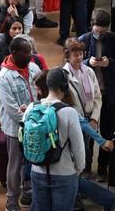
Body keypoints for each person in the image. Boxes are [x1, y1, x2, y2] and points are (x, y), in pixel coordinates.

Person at [0, 36, 42, 211]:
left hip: (35, 124)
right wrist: (33, 119)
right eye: (27, 52)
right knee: (15, 166)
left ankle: (28, 193)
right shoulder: (4, 77)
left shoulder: (33, 68)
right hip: (16, 129)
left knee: (33, 163)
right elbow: (13, 110)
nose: (31, 55)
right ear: (14, 53)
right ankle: (12, 202)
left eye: (31, 51)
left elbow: (42, 94)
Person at [29, 69, 86, 210]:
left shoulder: (32, 107)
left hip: (37, 171)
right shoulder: (69, 112)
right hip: (64, 173)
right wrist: (78, 169)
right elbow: (78, 148)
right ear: (64, 87)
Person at [77, 9, 115, 175]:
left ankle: (103, 167)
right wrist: (89, 62)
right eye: (97, 31)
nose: (99, 35)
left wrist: (109, 63)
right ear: (92, 26)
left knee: (108, 131)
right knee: (88, 131)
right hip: (89, 96)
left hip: (108, 94)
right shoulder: (83, 40)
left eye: (103, 31)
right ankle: (87, 167)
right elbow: (75, 64)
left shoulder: (114, 40)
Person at [62, 39, 101, 170]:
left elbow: (97, 96)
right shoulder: (64, 75)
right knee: (77, 150)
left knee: (87, 150)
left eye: (81, 54)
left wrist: (95, 118)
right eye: (75, 54)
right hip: (75, 120)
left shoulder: (89, 71)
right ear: (68, 56)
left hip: (91, 119)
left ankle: (86, 173)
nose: (79, 57)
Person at [0, 18, 26, 107]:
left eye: (20, 28)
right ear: (7, 30)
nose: (17, 31)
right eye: (14, 28)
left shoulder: (27, 46)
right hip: (2, 89)